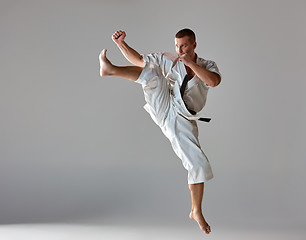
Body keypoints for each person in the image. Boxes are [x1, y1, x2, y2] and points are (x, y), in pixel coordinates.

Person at [99, 28, 221, 234]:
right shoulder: (170, 60)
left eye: (183, 45)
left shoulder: (207, 65)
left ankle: (195, 211)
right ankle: (110, 69)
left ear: (194, 45)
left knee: (198, 163)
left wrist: (190, 63)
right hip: (167, 106)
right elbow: (139, 59)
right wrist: (121, 44)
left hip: (184, 118)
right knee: (152, 73)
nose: (179, 49)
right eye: (176, 45)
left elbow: (213, 81)